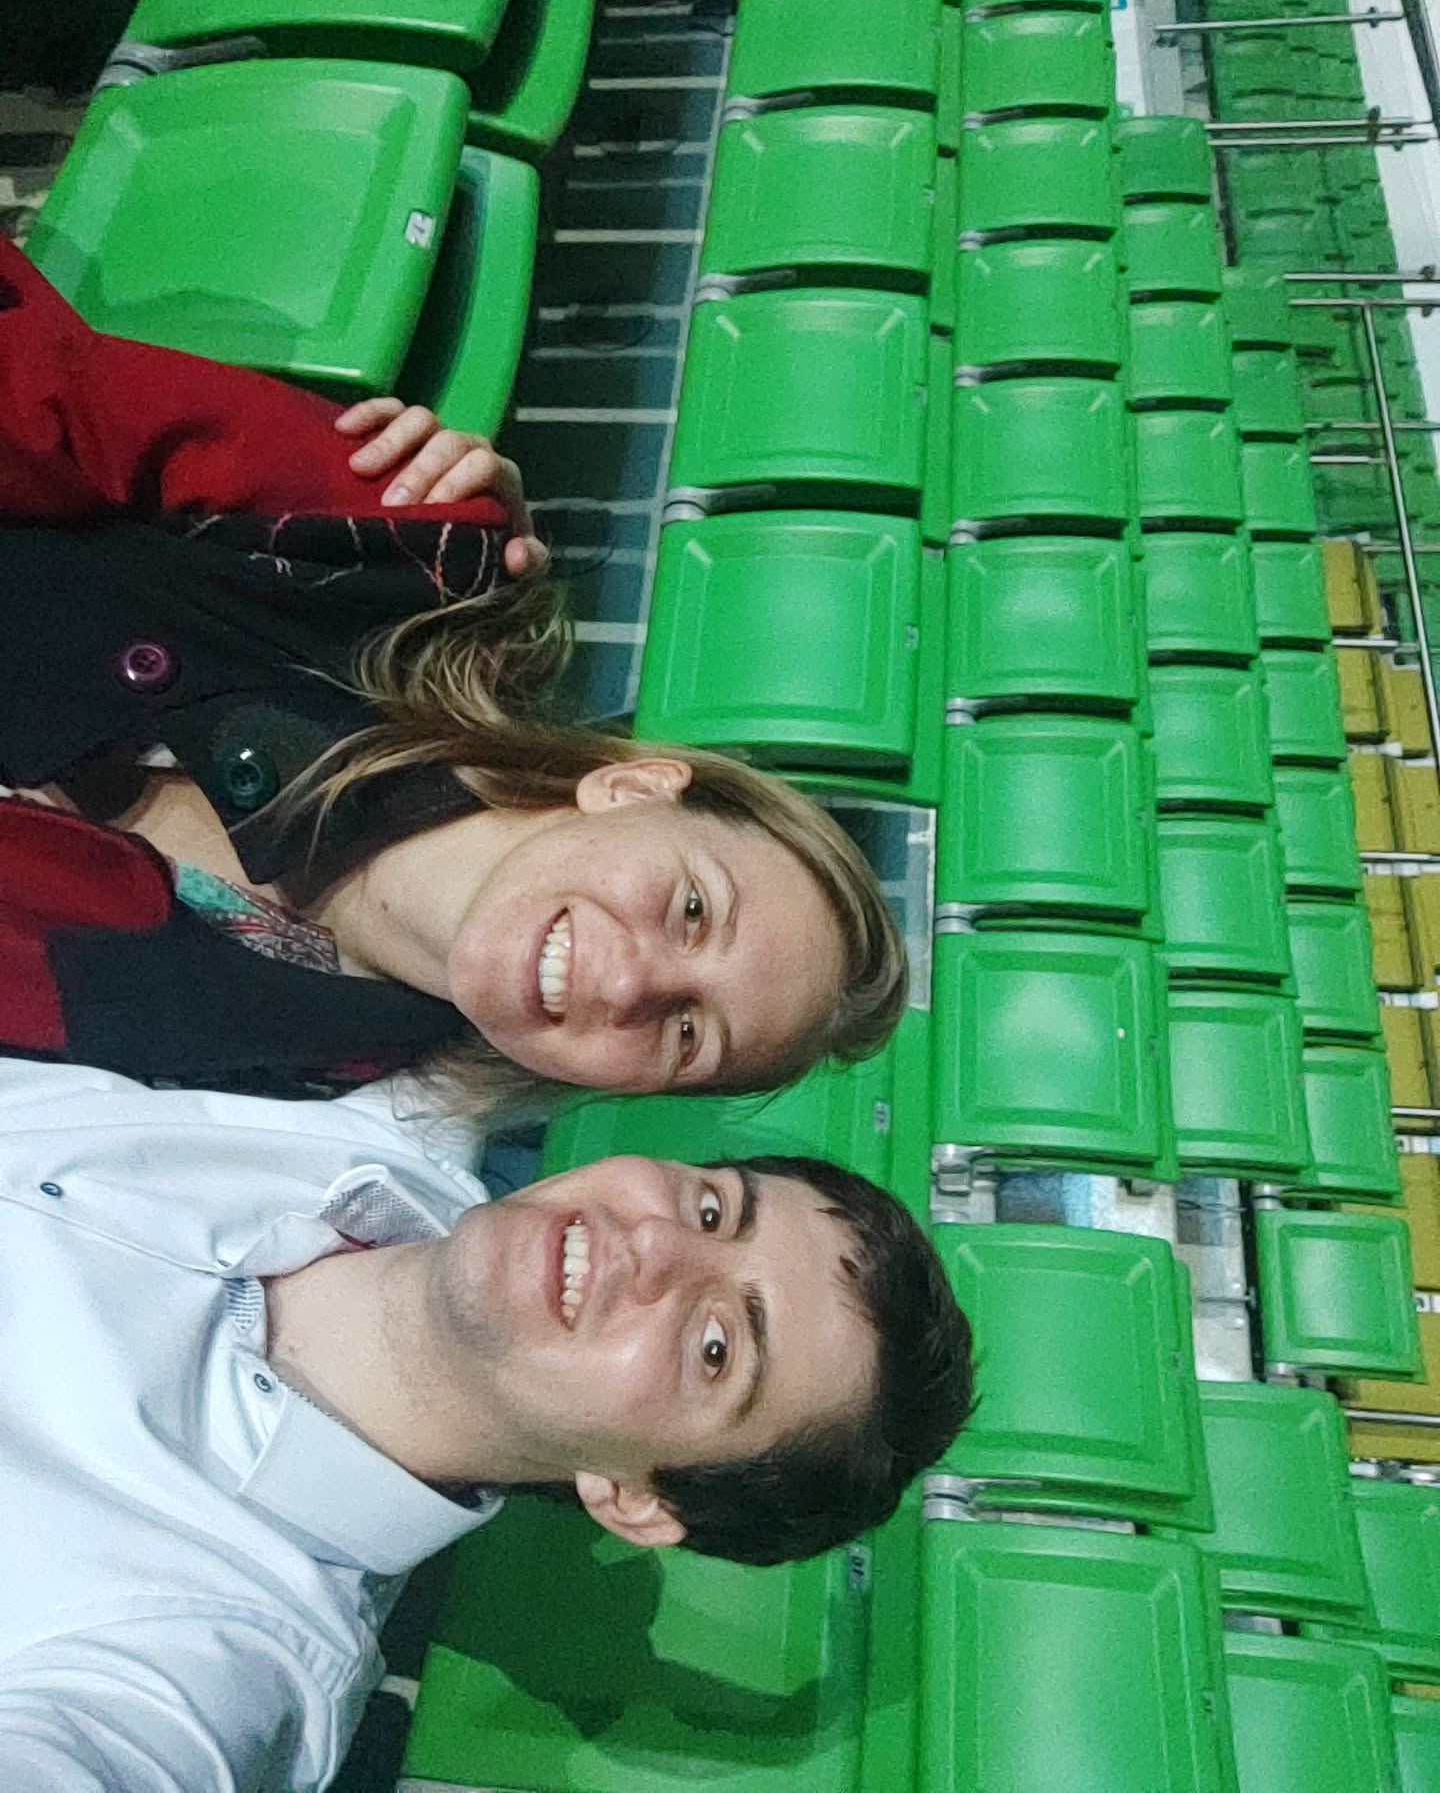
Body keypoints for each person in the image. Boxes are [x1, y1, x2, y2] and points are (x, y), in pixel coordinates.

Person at [0, 239, 906, 1101]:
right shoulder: (416, 554)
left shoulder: (292, 1102)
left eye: (687, 1035)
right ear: (633, 788)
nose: (634, 985)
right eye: (694, 910)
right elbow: (40, 394)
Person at [0, 1053, 974, 1793]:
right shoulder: (407, 1139)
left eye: (716, 1348)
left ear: (634, 1498)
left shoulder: (220, 1662)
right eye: (714, 1210)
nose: (656, 1242)